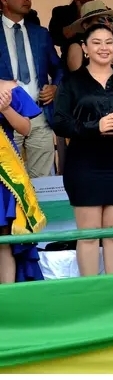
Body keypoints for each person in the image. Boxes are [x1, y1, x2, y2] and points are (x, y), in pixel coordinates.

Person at [52, 24, 113, 276]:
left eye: (108, 42)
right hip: (84, 166)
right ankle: (91, 292)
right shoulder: (71, 82)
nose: (103, 48)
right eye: (96, 42)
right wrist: (96, 126)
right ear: (84, 48)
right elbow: (59, 123)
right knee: (89, 235)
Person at [0, 0, 63, 178]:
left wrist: (55, 87)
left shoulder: (40, 33)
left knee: (41, 180)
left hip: (39, 113)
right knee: (10, 180)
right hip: (6, 116)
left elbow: (58, 67)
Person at [0, 80, 46, 283]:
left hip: (4, 175)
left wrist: (6, 109)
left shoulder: (8, 89)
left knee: (4, 238)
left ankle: (8, 295)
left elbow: (26, 129)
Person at [65, 0, 113, 85]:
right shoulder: (77, 47)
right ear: (86, 25)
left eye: (110, 19)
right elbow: (78, 81)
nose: (107, 23)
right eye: (101, 20)